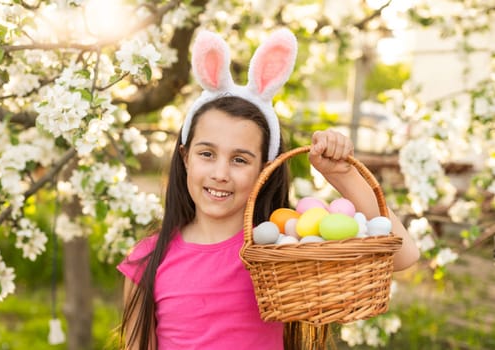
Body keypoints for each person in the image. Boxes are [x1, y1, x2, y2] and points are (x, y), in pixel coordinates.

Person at [117, 28, 420, 350]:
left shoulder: (282, 252)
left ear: (265, 168)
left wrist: (343, 174)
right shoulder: (147, 260)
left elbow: (404, 255)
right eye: (207, 154)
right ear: (185, 157)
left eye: (240, 159)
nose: (220, 173)